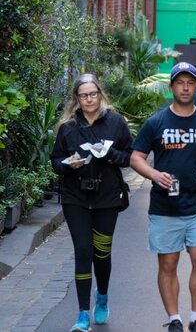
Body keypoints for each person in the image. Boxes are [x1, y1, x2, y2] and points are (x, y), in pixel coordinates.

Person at [130, 61, 196, 332]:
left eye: (191, 83)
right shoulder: (156, 122)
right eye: (180, 83)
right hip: (165, 205)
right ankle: (174, 318)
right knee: (169, 263)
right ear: (171, 87)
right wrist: (153, 174)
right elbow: (136, 157)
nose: (185, 88)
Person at [51, 73, 133, 332]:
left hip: (107, 195)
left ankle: (104, 295)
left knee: (102, 253)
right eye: (84, 95)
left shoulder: (116, 122)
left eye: (93, 94)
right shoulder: (68, 128)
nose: (89, 99)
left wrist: (109, 154)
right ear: (76, 98)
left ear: (100, 94)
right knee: (83, 251)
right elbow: (56, 162)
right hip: (75, 196)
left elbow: (130, 157)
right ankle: (82, 313)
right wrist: (69, 164)